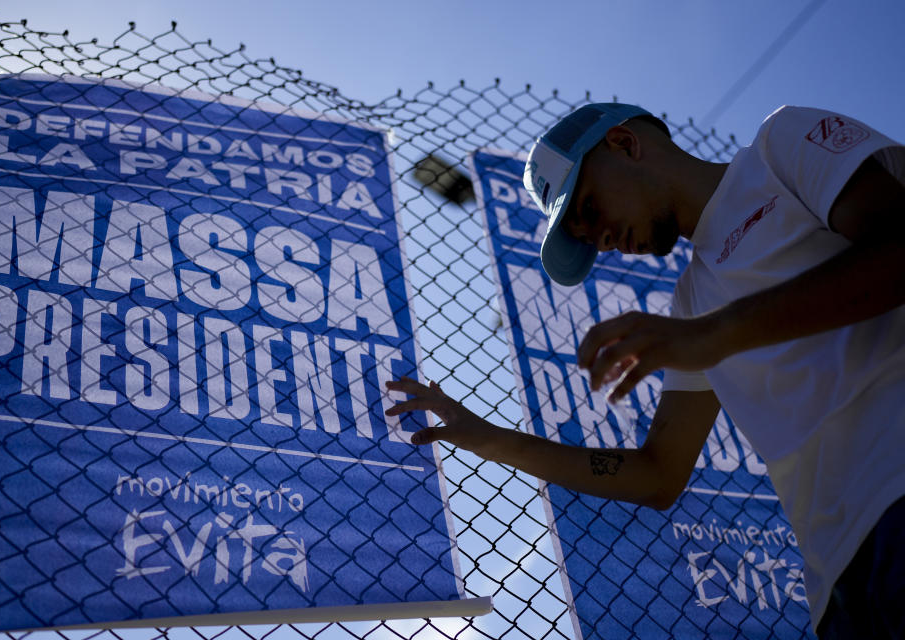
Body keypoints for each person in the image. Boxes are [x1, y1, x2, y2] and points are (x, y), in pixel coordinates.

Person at [386, 102, 905, 638]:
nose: (601, 240)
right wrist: (487, 438)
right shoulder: (692, 302)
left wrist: (714, 334)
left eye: (587, 208)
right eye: (585, 237)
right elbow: (657, 475)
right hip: (840, 585)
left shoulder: (781, 145)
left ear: (624, 143)